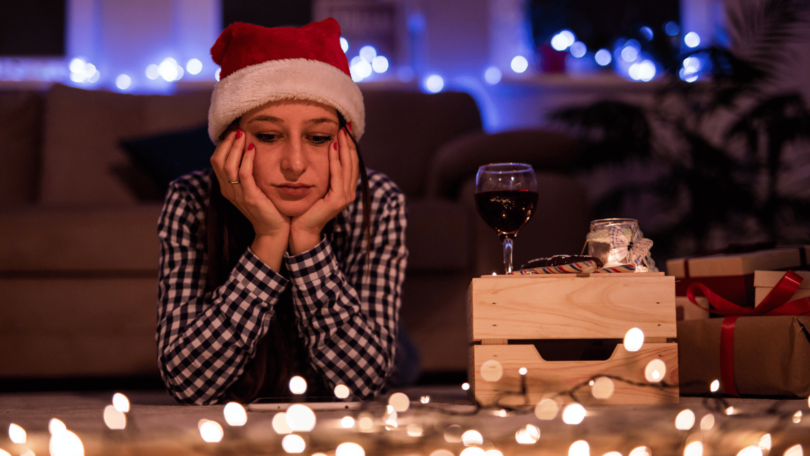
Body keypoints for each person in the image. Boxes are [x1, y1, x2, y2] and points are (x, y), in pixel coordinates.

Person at [156, 18, 408, 405]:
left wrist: (306, 241)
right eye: (269, 136)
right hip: (257, 381)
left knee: (402, 359)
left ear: (344, 145)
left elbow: (363, 385)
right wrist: (269, 239)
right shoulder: (189, 200)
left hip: (374, 342)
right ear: (231, 144)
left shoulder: (380, 199)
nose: (294, 164)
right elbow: (189, 385)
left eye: (318, 138)